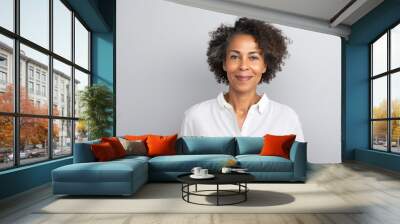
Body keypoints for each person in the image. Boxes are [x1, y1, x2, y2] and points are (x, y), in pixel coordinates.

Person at [179, 17, 304, 142]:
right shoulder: (195, 117)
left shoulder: (286, 118)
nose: (243, 66)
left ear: (265, 65)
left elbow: (297, 162)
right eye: (234, 57)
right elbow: (184, 162)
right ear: (224, 63)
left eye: (253, 57)